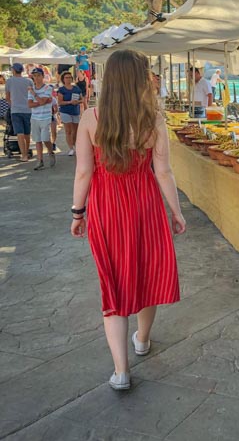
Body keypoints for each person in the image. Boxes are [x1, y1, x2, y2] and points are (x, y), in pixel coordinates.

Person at [70, 49, 185, 391]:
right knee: (147, 273)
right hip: (146, 204)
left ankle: (121, 372)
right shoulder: (154, 120)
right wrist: (176, 212)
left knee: (114, 282)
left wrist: (78, 213)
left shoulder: (91, 119)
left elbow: (83, 173)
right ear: (139, 81)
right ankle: (143, 340)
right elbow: (163, 172)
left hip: (107, 207)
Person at [27, 67, 56, 170]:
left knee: (45, 138)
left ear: (43, 76)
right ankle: (40, 160)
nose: (37, 78)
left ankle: (50, 151)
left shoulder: (47, 88)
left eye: (38, 75)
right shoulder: (31, 89)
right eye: (34, 76)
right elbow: (30, 104)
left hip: (45, 117)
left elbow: (43, 101)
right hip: (35, 117)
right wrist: (40, 101)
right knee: (37, 140)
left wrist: (35, 95)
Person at [5, 63, 33, 161]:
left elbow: (7, 97)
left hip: (15, 110)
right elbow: (33, 95)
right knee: (27, 133)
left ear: (13, 70)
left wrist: (13, 104)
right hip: (28, 110)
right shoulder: (29, 81)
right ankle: (27, 150)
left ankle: (24, 155)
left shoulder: (9, 81)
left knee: (19, 133)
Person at [57, 71, 84, 155]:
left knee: (75, 131)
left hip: (75, 111)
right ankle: (70, 148)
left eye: (69, 77)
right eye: (66, 78)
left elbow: (82, 99)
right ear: (63, 79)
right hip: (65, 111)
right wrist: (69, 102)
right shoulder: (61, 90)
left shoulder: (76, 88)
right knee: (68, 130)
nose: (68, 79)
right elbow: (60, 102)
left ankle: (74, 144)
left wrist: (77, 102)